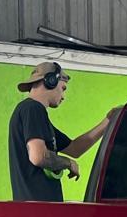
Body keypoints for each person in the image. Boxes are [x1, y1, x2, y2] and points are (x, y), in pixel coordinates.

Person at [8, 61, 116, 202]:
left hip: (40, 207)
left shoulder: (35, 115)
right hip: (39, 209)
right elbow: (38, 156)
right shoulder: (32, 109)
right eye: (63, 88)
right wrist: (68, 163)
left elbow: (75, 149)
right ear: (50, 81)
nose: (63, 96)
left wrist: (108, 121)